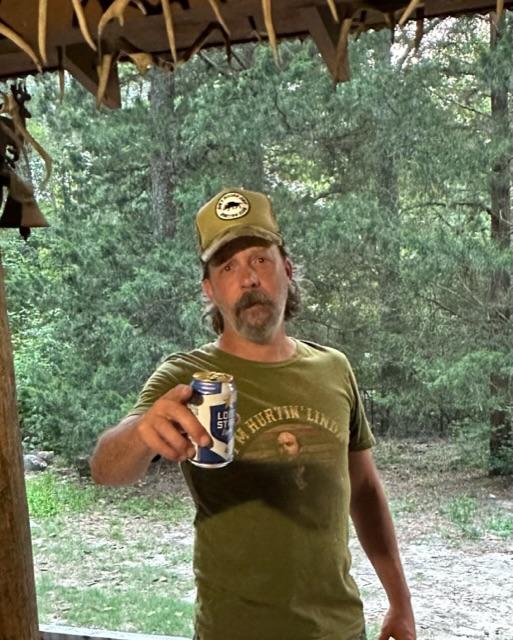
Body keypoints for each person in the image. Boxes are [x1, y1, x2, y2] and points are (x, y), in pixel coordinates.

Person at [90, 188, 416, 640]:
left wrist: (400, 603)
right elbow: (106, 469)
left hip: (340, 629)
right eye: (227, 267)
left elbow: (364, 491)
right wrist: (142, 434)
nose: (247, 279)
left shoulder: (334, 368)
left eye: (260, 259)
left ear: (287, 269)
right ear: (209, 288)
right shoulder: (186, 375)